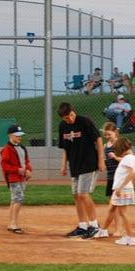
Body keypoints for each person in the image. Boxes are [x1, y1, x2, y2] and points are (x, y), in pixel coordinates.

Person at [57, 102, 105, 238]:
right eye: (66, 118)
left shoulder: (84, 121)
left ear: (73, 111)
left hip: (89, 163)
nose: (70, 119)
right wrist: (63, 164)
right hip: (75, 164)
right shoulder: (63, 126)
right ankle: (83, 226)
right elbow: (66, 147)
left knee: (83, 194)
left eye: (71, 115)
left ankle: (94, 226)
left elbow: (98, 139)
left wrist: (101, 159)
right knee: (76, 196)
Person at [97, 137, 135, 246]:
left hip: (122, 189)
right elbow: (126, 168)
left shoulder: (129, 158)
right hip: (120, 188)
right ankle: (103, 230)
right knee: (112, 208)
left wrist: (120, 188)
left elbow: (132, 174)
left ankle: (130, 237)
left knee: (122, 213)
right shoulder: (129, 157)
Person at [0, 124, 32, 234]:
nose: (19, 137)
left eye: (20, 135)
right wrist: (17, 170)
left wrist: (28, 170)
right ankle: (13, 224)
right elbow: (4, 165)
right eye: (17, 135)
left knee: (14, 200)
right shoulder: (7, 149)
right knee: (19, 199)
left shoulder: (22, 148)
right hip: (14, 178)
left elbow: (26, 161)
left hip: (22, 178)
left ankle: (11, 223)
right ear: (10, 135)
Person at [99, 122, 124, 237]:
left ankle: (119, 229)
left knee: (116, 204)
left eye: (109, 134)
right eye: (105, 135)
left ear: (115, 132)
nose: (108, 137)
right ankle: (113, 228)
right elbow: (105, 161)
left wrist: (115, 157)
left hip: (119, 177)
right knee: (112, 203)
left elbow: (127, 160)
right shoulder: (105, 146)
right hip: (110, 177)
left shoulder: (120, 144)